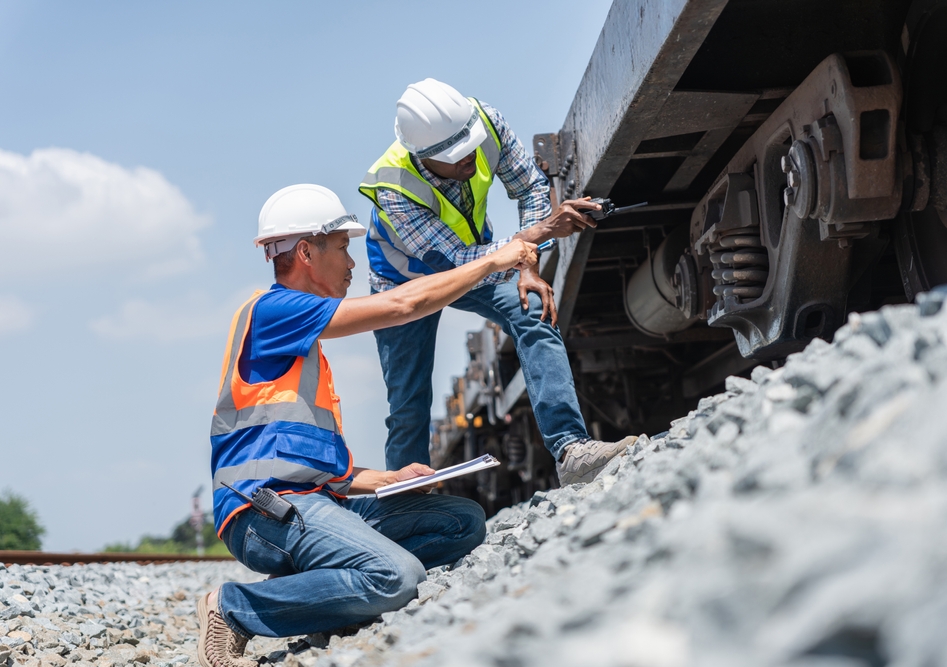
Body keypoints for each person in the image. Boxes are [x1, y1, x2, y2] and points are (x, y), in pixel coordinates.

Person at [198, 184, 538, 667]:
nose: (352, 263)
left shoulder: (298, 345)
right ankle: (233, 608)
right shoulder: (274, 312)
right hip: (264, 515)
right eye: (342, 248)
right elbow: (401, 308)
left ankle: (316, 593)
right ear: (305, 252)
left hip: (310, 503)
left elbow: (314, 467)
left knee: (463, 522)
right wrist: (492, 261)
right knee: (396, 576)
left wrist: (389, 479)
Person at [359, 78, 636, 485]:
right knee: (408, 402)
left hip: (480, 256)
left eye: (468, 146)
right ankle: (407, 501)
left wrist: (528, 266)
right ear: (421, 156)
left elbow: (530, 190)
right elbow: (455, 264)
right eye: (454, 158)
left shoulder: (485, 122)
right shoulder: (393, 187)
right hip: (403, 284)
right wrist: (539, 234)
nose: (468, 159)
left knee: (533, 308)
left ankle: (571, 450)